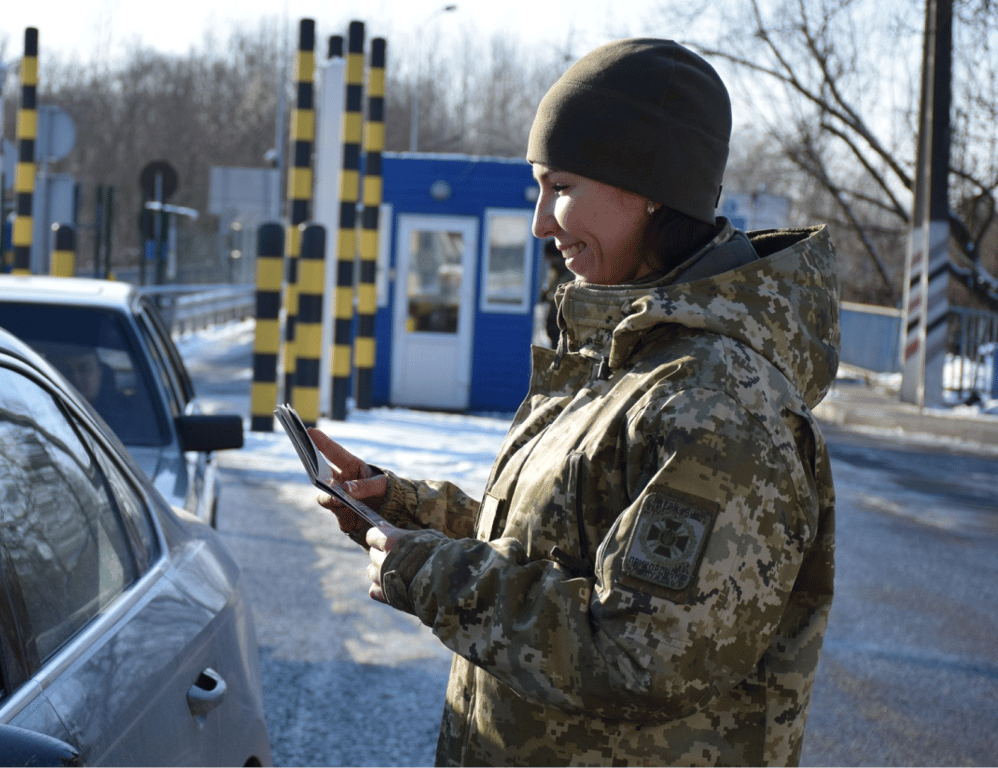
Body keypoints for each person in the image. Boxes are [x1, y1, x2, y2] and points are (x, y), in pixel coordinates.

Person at [310, 38, 838, 767]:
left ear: (652, 186)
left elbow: (642, 653)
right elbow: (566, 546)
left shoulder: (718, 404)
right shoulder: (628, 354)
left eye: (560, 187)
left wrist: (432, 572)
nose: (540, 223)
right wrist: (405, 513)